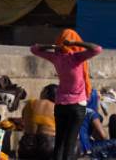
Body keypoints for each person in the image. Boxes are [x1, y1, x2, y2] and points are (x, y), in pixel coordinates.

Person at [30, 29, 102, 160]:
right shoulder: (78, 57)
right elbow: (97, 49)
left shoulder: (57, 57)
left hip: (61, 105)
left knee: (60, 142)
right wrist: (76, 43)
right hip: (77, 106)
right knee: (70, 142)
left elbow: (34, 49)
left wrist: (53, 46)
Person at [18, 84, 57, 160]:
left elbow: (24, 120)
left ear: (46, 92)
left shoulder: (30, 103)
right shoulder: (58, 108)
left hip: (27, 144)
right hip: (49, 145)